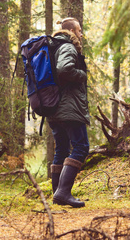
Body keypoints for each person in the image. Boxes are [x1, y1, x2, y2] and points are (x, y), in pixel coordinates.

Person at [48, 17, 90, 208]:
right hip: (68, 107)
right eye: (79, 30)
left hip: (54, 107)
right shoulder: (67, 46)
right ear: (72, 31)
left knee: (62, 149)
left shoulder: (54, 46)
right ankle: (63, 193)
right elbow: (64, 69)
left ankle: (57, 193)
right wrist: (81, 75)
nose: (81, 34)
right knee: (81, 146)